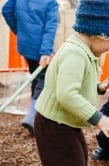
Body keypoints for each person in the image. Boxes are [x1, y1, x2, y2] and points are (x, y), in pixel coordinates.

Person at [33, 0, 109, 166]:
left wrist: (98, 88)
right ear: (100, 33)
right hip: (54, 124)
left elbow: (75, 84)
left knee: (79, 157)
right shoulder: (75, 53)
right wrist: (99, 118)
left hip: (65, 120)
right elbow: (66, 94)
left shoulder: (84, 50)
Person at [2, 0, 59, 134]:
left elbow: (6, 11)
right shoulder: (51, 3)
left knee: (36, 77)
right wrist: (45, 51)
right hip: (40, 49)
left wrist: (20, 31)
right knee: (44, 80)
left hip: (25, 45)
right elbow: (49, 28)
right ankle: (33, 116)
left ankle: (37, 114)